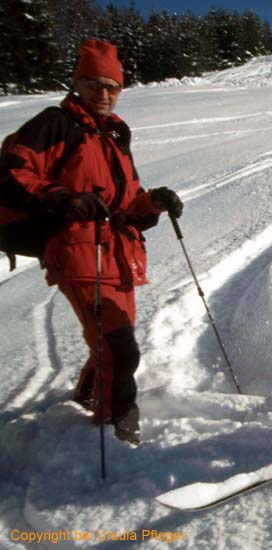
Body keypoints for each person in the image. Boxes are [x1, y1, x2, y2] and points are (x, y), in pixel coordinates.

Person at [0, 40, 183, 444]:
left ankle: (88, 394)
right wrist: (62, 197)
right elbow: (12, 172)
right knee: (119, 347)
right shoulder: (56, 123)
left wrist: (153, 201)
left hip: (120, 253)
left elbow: (127, 202)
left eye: (111, 87)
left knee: (115, 341)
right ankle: (117, 431)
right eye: (93, 84)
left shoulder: (114, 134)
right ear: (76, 84)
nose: (103, 94)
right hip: (78, 251)